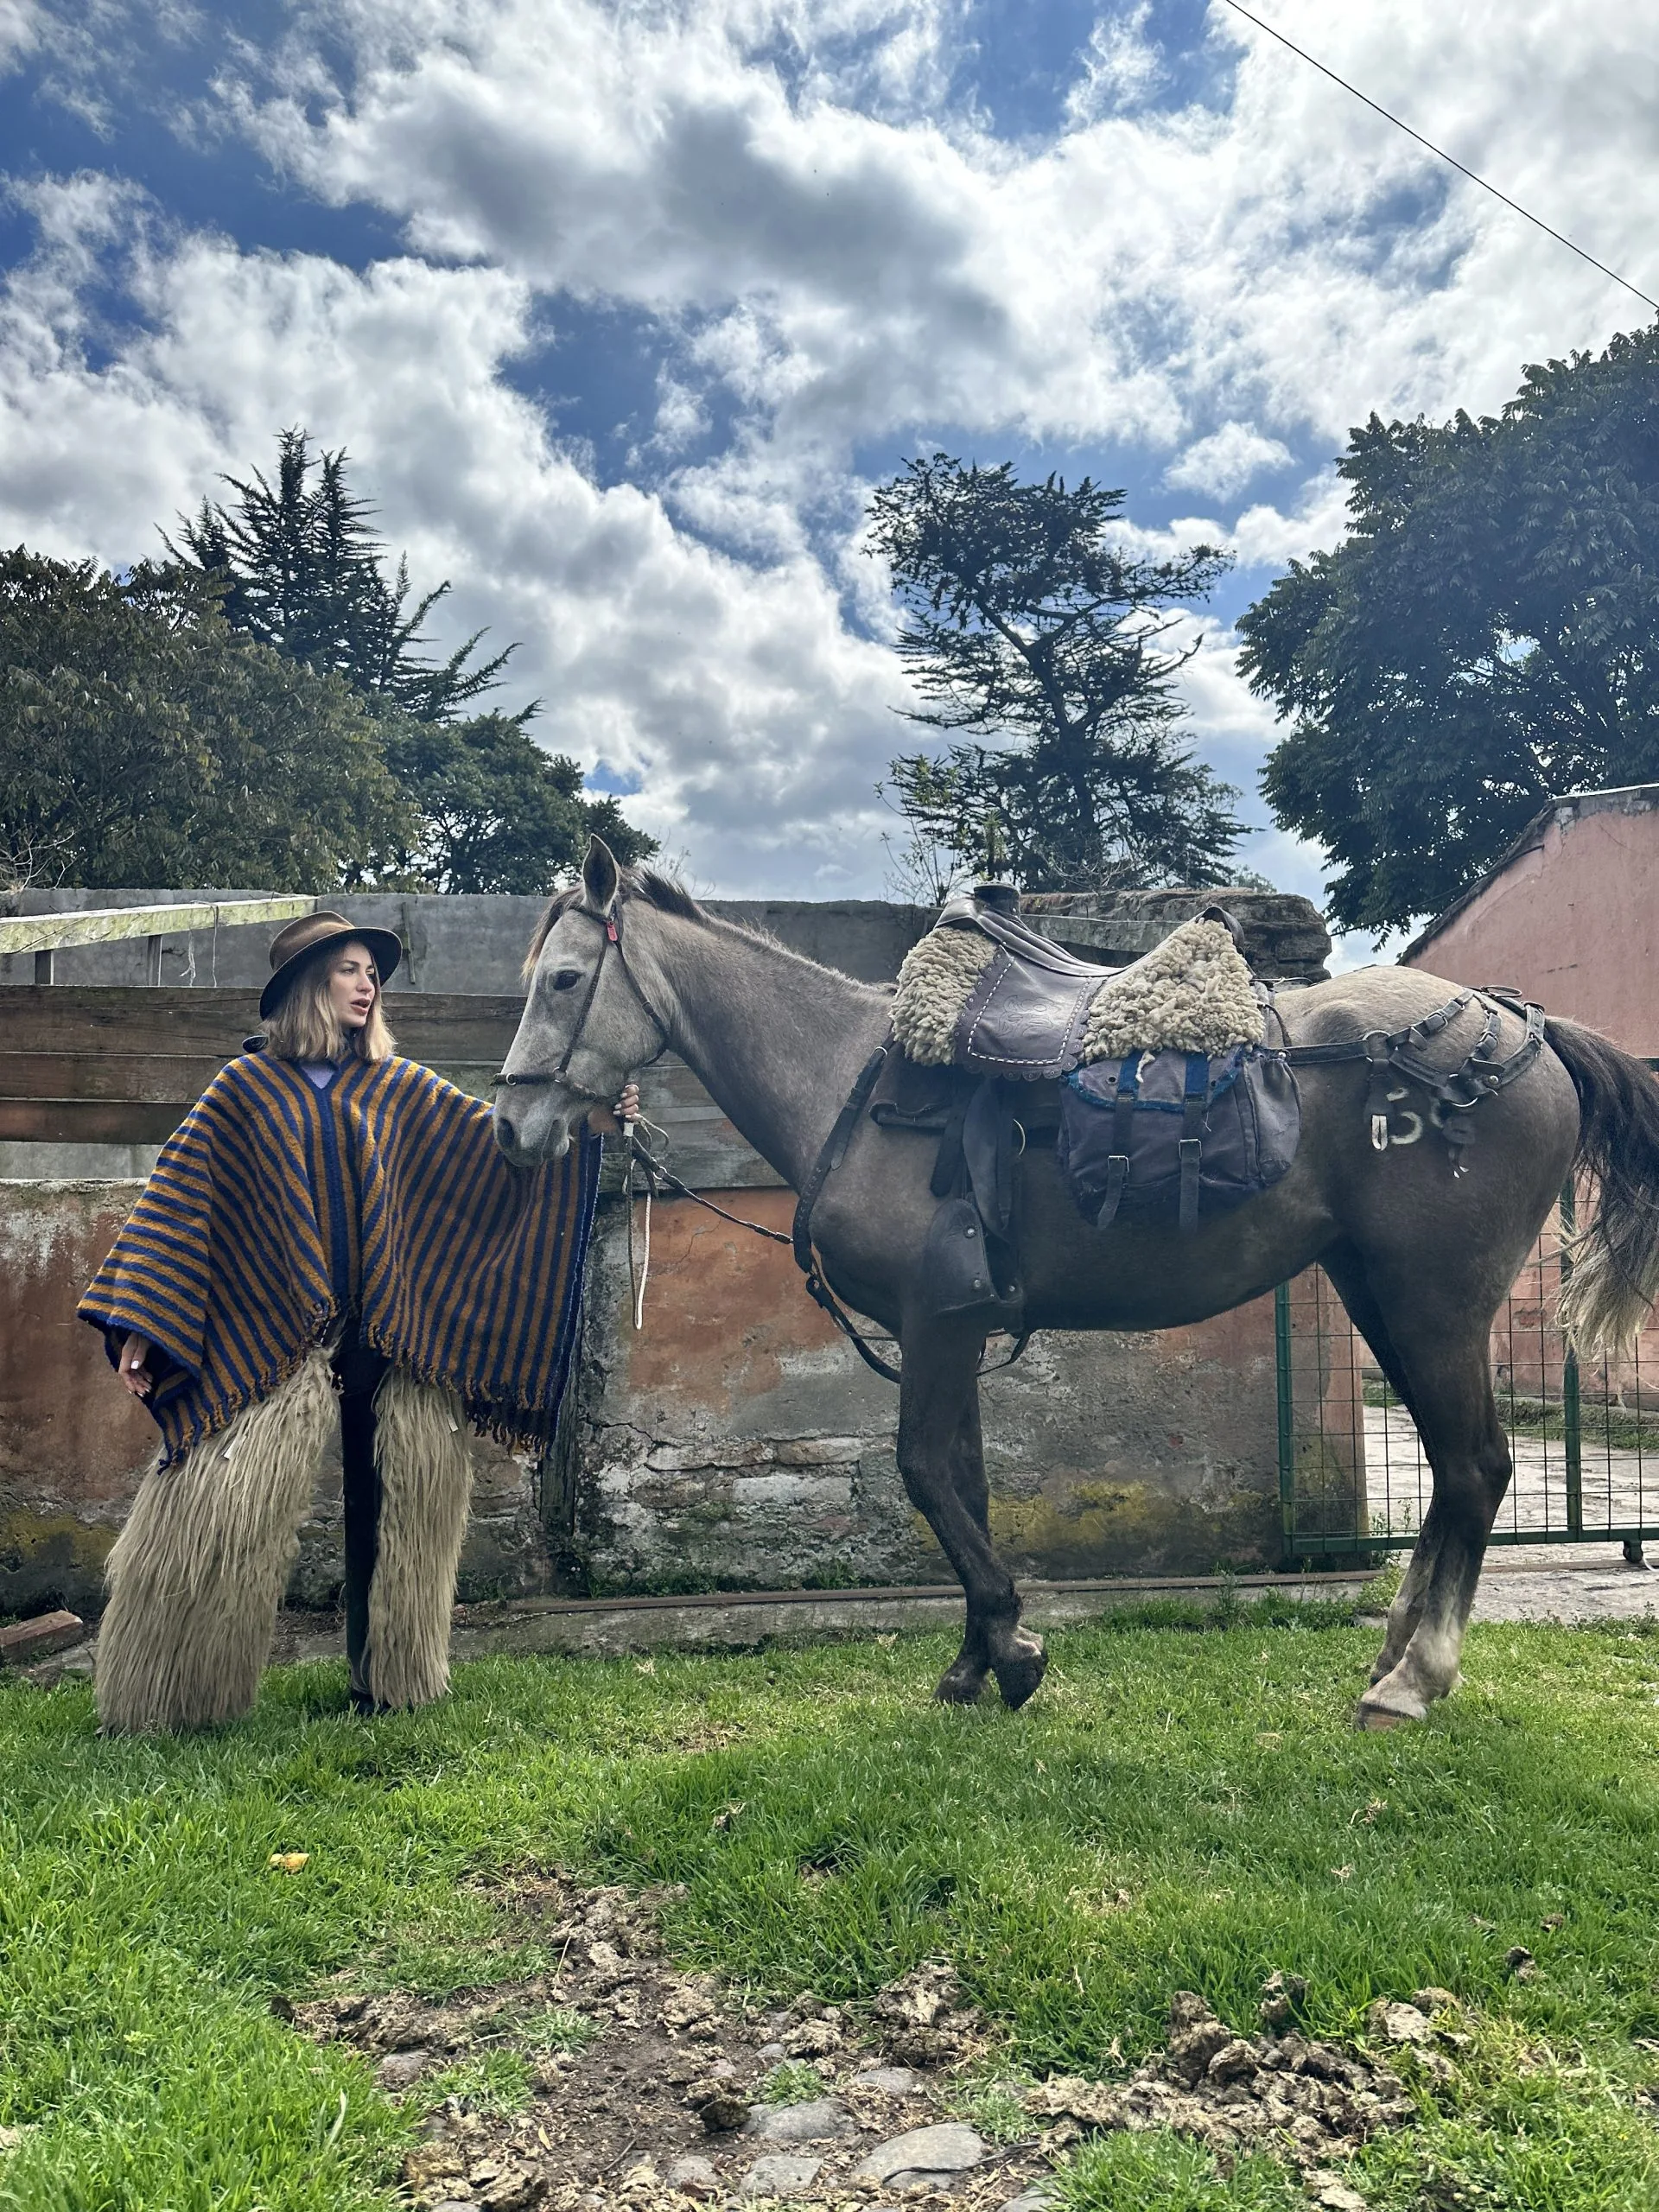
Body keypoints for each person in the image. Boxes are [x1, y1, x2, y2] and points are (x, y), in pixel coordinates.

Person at [79, 910, 635, 1732]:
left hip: (390, 1331)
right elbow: (180, 1204)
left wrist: (590, 1123)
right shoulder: (243, 1092)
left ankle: (393, 1681)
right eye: (348, 968)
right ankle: (173, 1698)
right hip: (271, 1337)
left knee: (406, 1506)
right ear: (308, 986)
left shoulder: (400, 1088)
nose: (368, 983)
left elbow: (498, 1156)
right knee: (223, 1505)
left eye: (372, 972)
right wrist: (141, 1325)